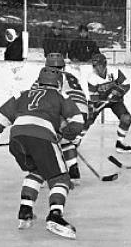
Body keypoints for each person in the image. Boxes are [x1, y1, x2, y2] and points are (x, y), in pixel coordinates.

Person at [0, 67, 85, 239]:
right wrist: (65, 135)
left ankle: (25, 210)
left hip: (17, 137)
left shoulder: (23, 94)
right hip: (42, 136)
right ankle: (55, 215)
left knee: (37, 170)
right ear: (58, 84)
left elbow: (1, 117)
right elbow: (78, 121)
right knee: (61, 178)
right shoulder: (60, 96)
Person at [33, 53, 89, 186]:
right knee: (66, 140)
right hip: (82, 114)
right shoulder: (71, 77)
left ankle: (44, 174)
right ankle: (73, 171)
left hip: (67, 111)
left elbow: (36, 100)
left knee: (45, 140)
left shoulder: (47, 76)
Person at [86, 53, 131, 153]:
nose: (97, 69)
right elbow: (94, 98)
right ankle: (75, 141)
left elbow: (126, 85)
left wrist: (119, 91)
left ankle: (120, 143)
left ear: (105, 64)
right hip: (101, 101)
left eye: (99, 65)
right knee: (87, 119)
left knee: (126, 118)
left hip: (115, 101)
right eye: (95, 66)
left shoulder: (115, 72)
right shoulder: (91, 78)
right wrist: (95, 106)